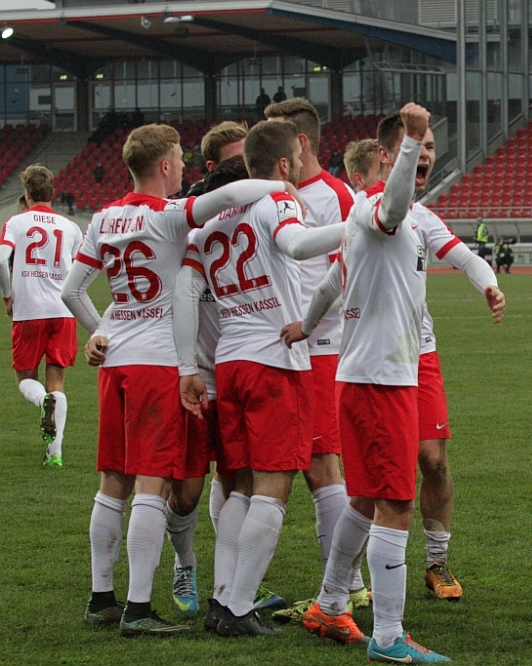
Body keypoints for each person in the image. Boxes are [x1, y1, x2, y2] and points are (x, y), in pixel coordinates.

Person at [61, 123, 295, 636]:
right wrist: (282, 184)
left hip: (117, 360)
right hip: (158, 361)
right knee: (154, 483)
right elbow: (228, 196)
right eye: (179, 161)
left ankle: (102, 597)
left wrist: (101, 331)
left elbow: (71, 291)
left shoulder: (103, 217)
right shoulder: (169, 216)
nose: (183, 169)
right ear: (165, 165)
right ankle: (139, 609)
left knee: (112, 482)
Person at [290, 103, 477, 664]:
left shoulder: (381, 220)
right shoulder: (376, 208)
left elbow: (332, 281)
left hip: (373, 375)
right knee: (395, 504)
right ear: (386, 156)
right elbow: (391, 208)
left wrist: (305, 325)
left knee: (366, 497)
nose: (422, 159)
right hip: (379, 380)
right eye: (412, 150)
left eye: (427, 150)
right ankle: (390, 638)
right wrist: (414, 135)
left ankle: (328, 604)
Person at [173, 120, 348, 637]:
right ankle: (237, 607)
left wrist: (188, 366)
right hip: (275, 358)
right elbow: (297, 246)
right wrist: (358, 225)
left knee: (241, 486)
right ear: (284, 163)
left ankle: (222, 597)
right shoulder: (277, 200)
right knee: (273, 489)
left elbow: (186, 294)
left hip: (228, 361)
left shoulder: (206, 224)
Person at [264, 96, 358, 589]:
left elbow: (348, 272)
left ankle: (345, 586)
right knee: (259, 470)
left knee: (322, 465)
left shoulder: (335, 196)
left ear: (299, 142)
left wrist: (311, 321)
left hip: (318, 348)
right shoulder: (269, 195)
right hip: (271, 348)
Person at [0, 165, 84, 467]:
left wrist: (7, 295)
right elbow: (83, 269)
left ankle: (41, 400)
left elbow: (1, 259)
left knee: (25, 379)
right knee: (56, 380)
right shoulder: (71, 227)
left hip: (29, 311)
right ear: (53, 193)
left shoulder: (16, 222)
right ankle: (54, 453)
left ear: (26, 193)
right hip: (63, 311)